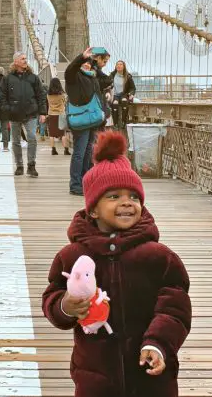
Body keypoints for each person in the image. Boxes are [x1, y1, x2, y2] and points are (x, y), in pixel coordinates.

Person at [42, 131, 192, 397]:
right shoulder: (72, 256)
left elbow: (175, 308)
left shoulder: (159, 257)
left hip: (150, 375)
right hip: (96, 378)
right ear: (93, 209)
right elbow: (52, 296)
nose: (126, 202)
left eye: (133, 197)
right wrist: (64, 306)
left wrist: (158, 344)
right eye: (113, 196)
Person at [64, 47, 110, 196]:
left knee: (88, 152)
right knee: (79, 152)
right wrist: (81, 57)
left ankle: (86, 181)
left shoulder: (92, 77)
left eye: (89, 63)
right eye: (85, 63)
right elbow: (71, 68)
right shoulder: (73, 76)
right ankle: (75, 184)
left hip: (93, 120)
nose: (87, 65)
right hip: (81, 119)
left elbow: (103, 89)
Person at [0, 52, 47, 177]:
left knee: (32, 138)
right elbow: (1, 97)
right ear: (16, 62)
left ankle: (31, 165)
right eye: (22, 59)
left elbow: (41, 95)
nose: (25, 60)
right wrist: (8, 109)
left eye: (26, 58)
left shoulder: (33, 77)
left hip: (30, 113)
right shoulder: (7, 78)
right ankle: (19, 165)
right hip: (14, 114)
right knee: (15, 141)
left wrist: (42, 112)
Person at [45, 77, 70, 156]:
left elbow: (47, 104)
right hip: (61, 115)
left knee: (52, 134)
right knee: (63, 133)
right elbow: (65, 103)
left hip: (51, 114)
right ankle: (66, 150)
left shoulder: (48, 95)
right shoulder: (62, 95)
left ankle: (53, 150)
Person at [109, 60, 136, 130]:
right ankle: (115, 124)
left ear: (124, 66)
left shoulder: (128, 76)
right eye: (117, 64)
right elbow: (107, 84)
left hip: (124, 94)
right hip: (114, 94)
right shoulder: (112, 75)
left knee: (124, 101)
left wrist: (131, 94)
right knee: (115, 103)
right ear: (115, 66)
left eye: (121, 64)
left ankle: (124, 122)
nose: (119, 66)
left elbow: (133, 88)